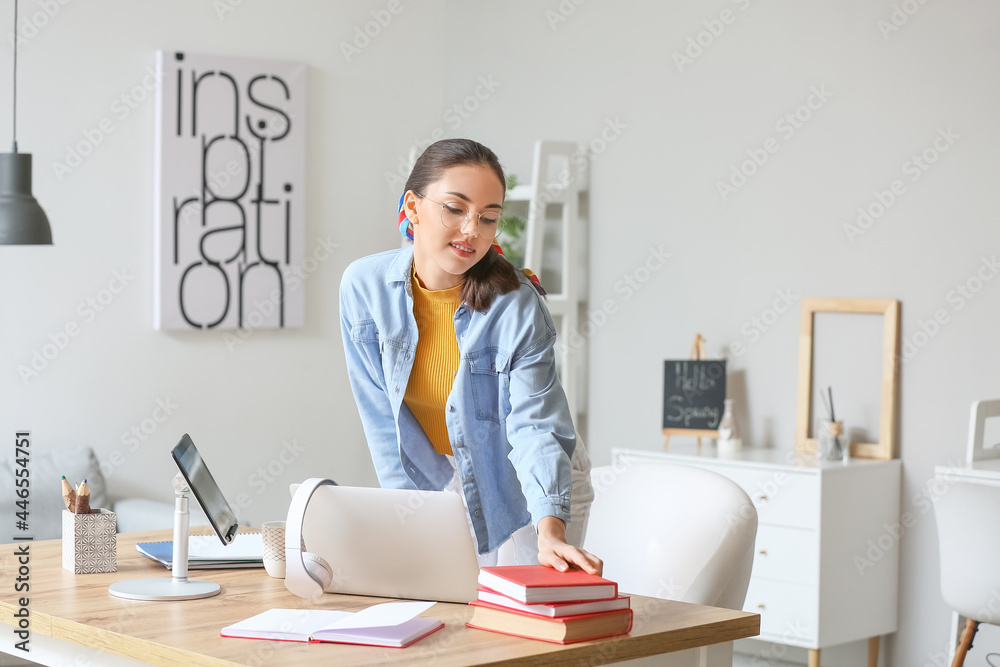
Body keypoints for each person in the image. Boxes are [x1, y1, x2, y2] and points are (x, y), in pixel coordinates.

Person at [339, 138, 600, 575]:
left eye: (488, 217)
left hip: (534, 482)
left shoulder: (516, 303)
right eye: (455, 209)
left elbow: (535, 426)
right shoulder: (363, 288)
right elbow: (384, 422)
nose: (471, 230)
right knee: (446, 607)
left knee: (516, 621)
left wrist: (550, 528)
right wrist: (407, 516)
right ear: (412, 206)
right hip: (445, 474)